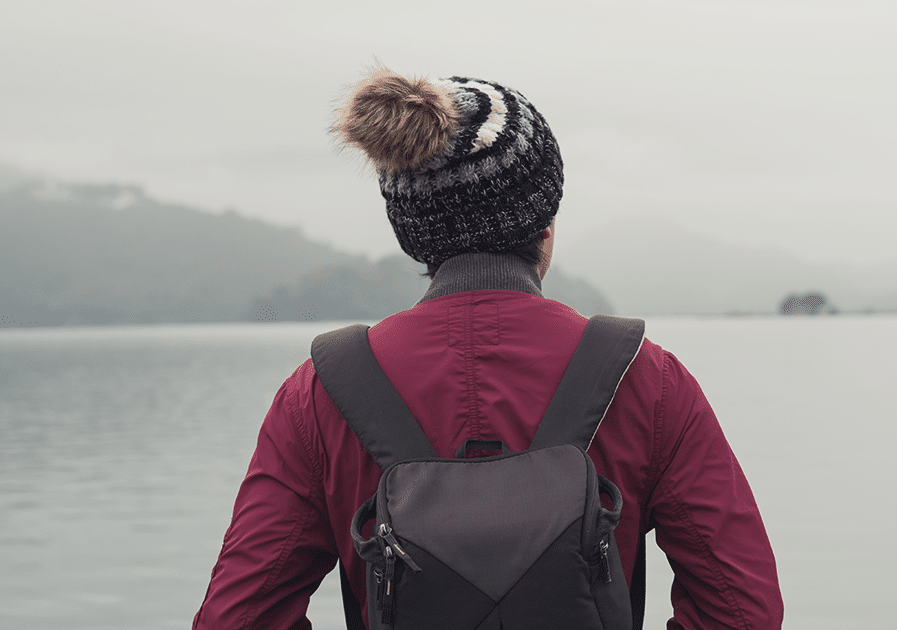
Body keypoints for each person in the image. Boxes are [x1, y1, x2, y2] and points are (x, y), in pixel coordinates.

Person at [193, 67, 784, 630]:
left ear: (412, 234)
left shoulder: (318, 394)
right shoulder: (647, 379)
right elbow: (743, 609)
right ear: (545, 223)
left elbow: (237, 618)